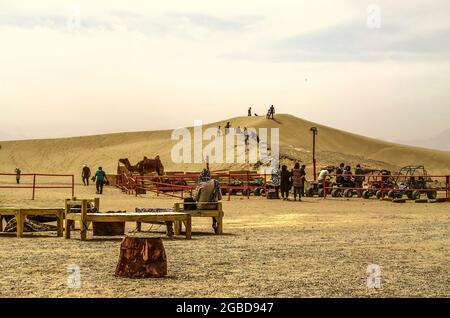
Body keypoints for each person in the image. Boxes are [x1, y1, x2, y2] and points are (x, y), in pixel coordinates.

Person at [194, 167, 222, 233]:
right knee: (213, 206)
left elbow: (195, 198)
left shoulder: (201, 184)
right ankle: (214, 223)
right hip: (214, 206)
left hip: (202, 206)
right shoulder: (216, 183)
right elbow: (220, 197)